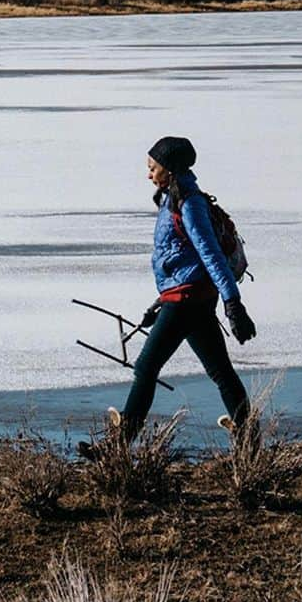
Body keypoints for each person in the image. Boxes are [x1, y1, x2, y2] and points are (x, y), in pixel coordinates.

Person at [81, 136, 256, 455]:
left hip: (187, 300)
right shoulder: (172, 200)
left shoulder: (190, 204)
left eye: (153, 167)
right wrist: (159, 303)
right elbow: (183, 262)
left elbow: (210, 255)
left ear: (170, 169)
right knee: (221, 372)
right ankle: (250, 440)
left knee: (146, 369)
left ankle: (117, 448)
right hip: (186, 298)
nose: (148, 174)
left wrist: (233, 303)